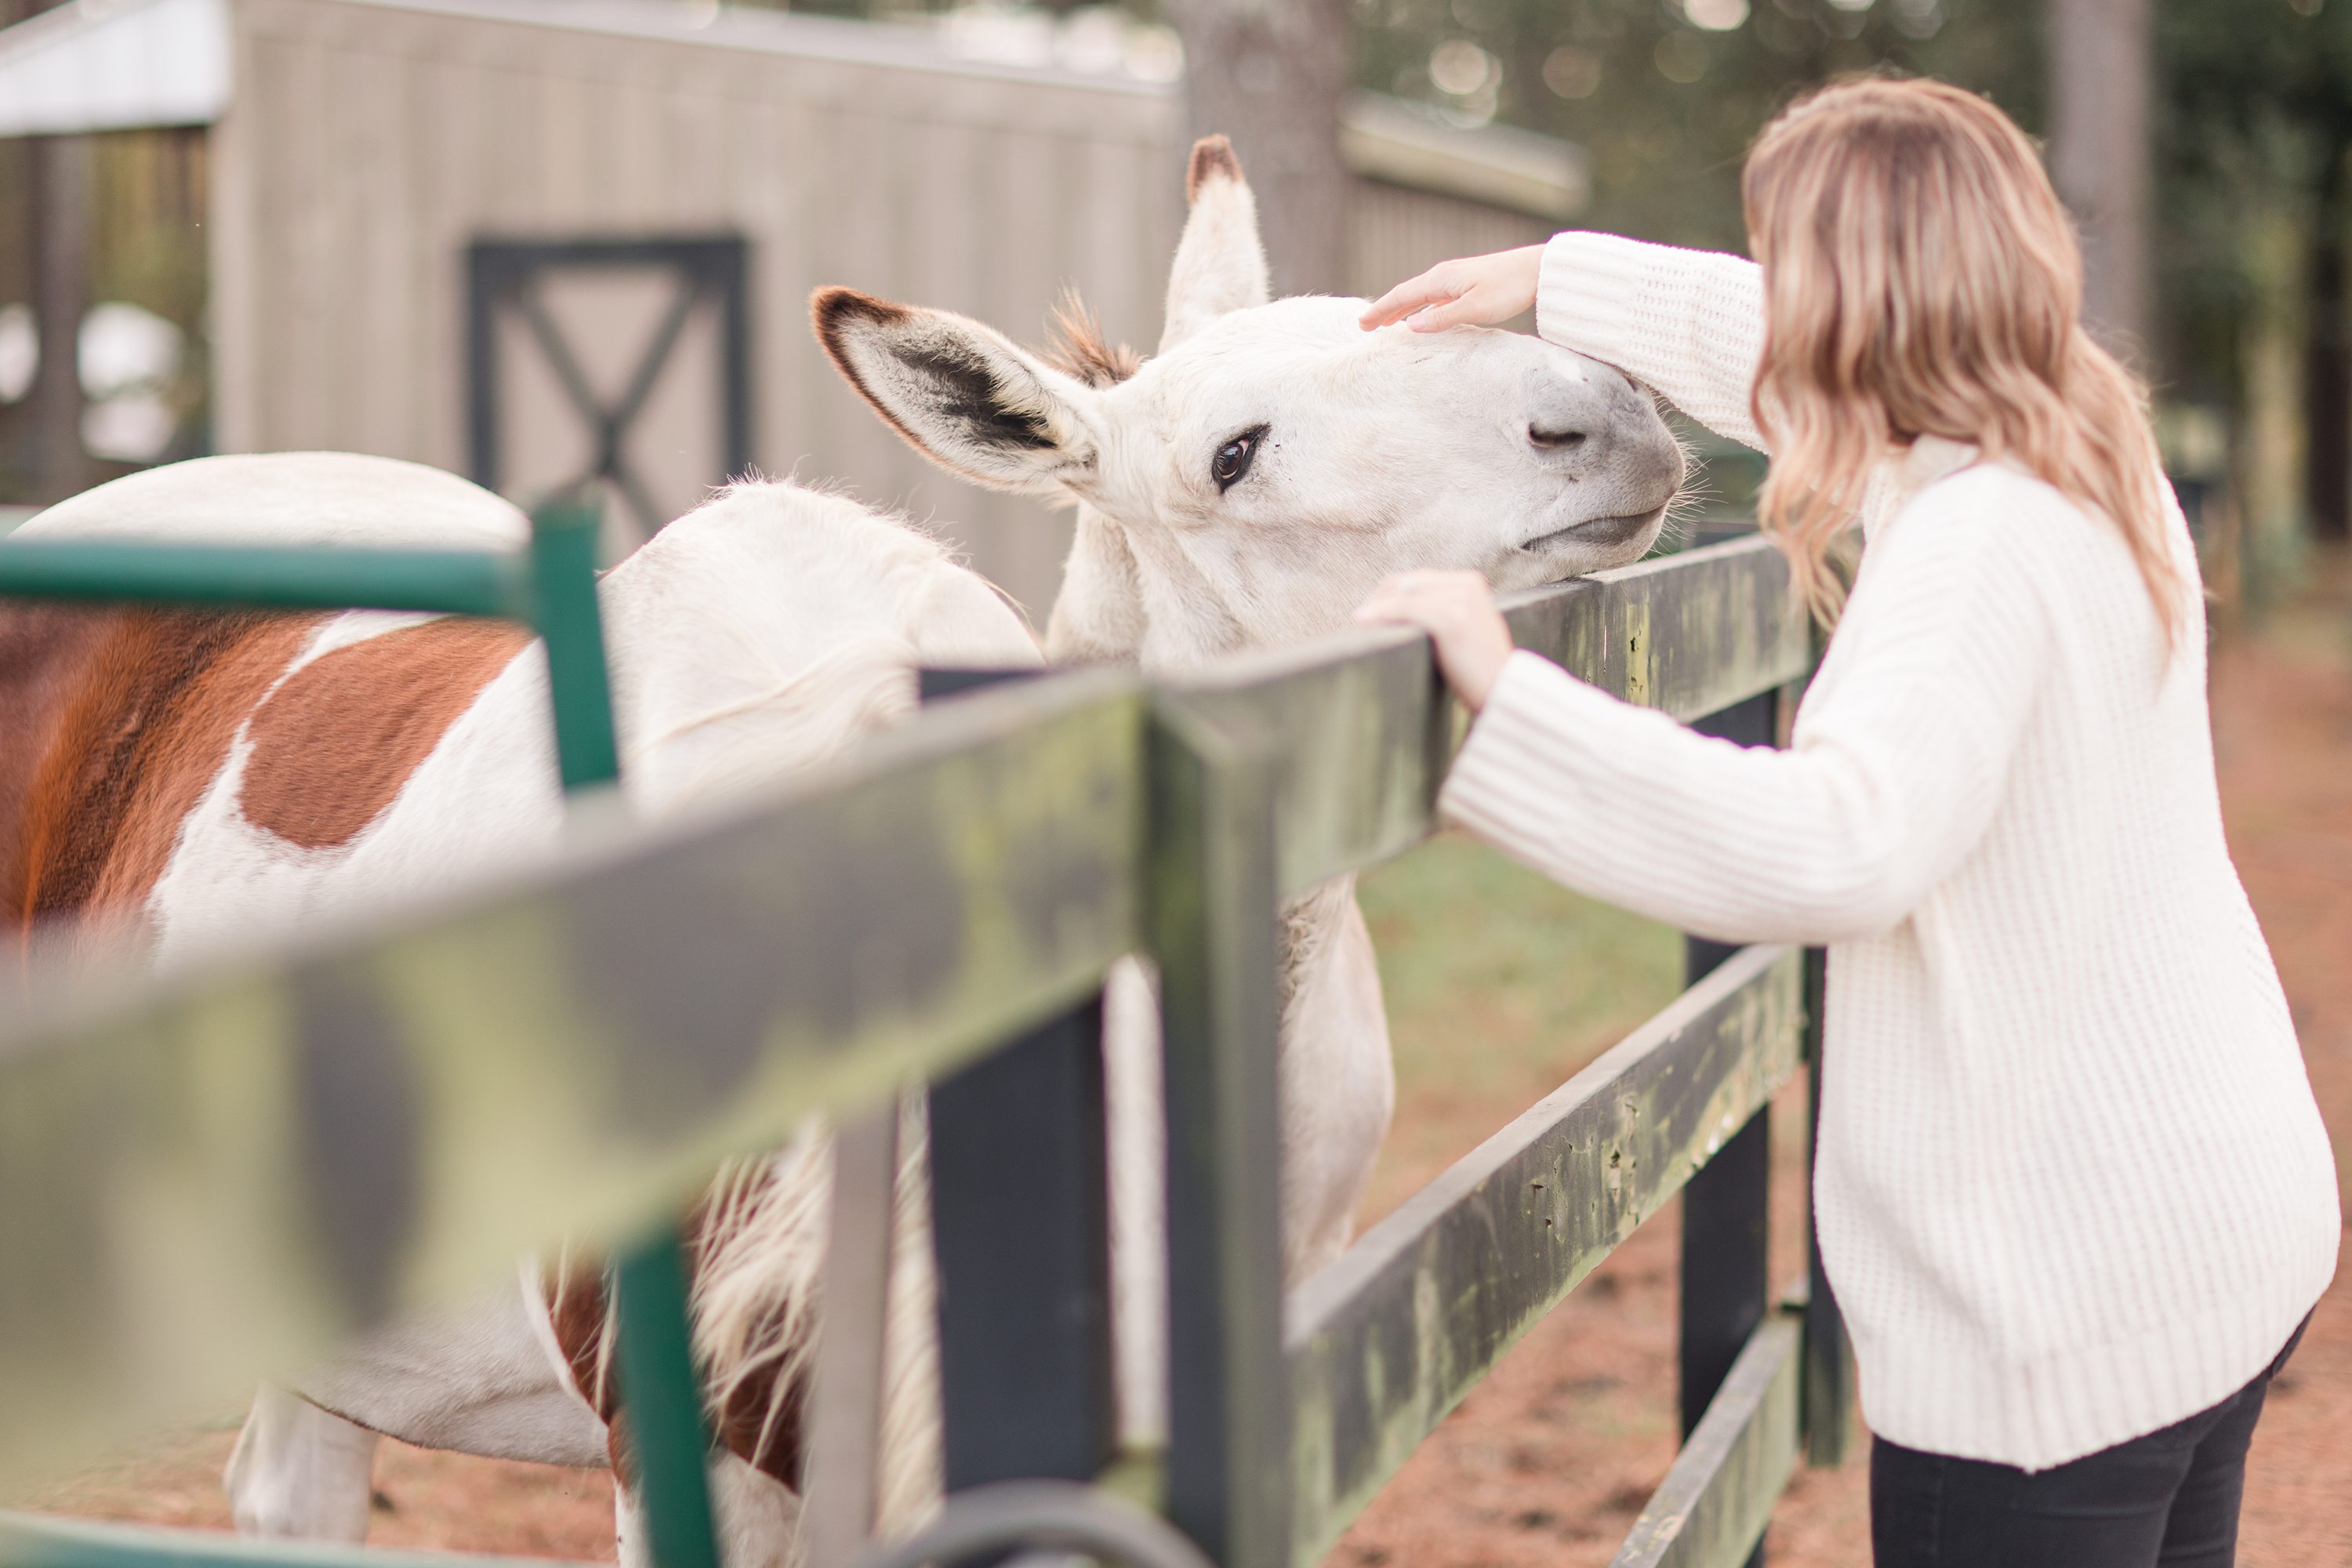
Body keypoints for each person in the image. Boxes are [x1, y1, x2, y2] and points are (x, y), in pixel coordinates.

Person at [1353, 77, 2339, 1568]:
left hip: (2052, 1314)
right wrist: (1569, 281)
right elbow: (1824, 356)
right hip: (2207, 1227)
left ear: (1852, 306)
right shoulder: (2081, 434)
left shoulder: (1974, 546)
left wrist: (1506, 707)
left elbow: (1833, 845)